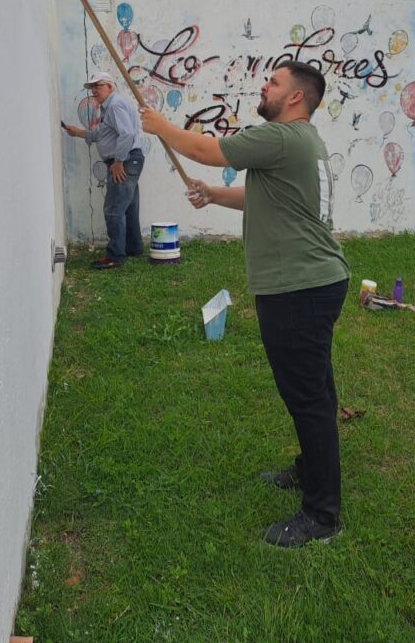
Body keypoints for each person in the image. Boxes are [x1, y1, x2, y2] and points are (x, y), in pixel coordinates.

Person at [140, 62, 350, 548]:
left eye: (274, 82)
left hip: (297, 288)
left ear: (296, 97)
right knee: (314, 388)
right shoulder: (302, 143)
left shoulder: (278, 138)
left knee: (307, 396)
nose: (264, 86)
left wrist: (160, 126)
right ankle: (310, 469)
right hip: (315, 283)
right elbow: (267, 196)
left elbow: (205, 149)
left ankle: (322, 515)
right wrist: (214, 196)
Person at [64, 71, 144, 270]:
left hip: (125, 161)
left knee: (114, 210)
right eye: (92, 88)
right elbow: (103, 134)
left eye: (98, 86)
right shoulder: (110, 107)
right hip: (131, 160)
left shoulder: (114, 105)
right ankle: (133, 248)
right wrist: (80, 133)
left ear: (110, 86)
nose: (94, 91)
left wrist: (118, 161)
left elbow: (127, 135)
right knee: (129, 207)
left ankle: (115, 256)